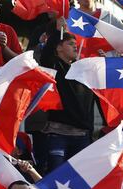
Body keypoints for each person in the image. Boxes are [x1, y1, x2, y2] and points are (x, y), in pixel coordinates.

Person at [39, 31, 95, 172]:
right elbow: (46, 55)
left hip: (82, 137)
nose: (75, 47)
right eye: (70, 44)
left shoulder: (83, 71)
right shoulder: (54, 67)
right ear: (58, 48)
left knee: (79, 180)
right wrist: (58, 30)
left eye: (76, 44)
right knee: (55, 179)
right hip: (58, 135)